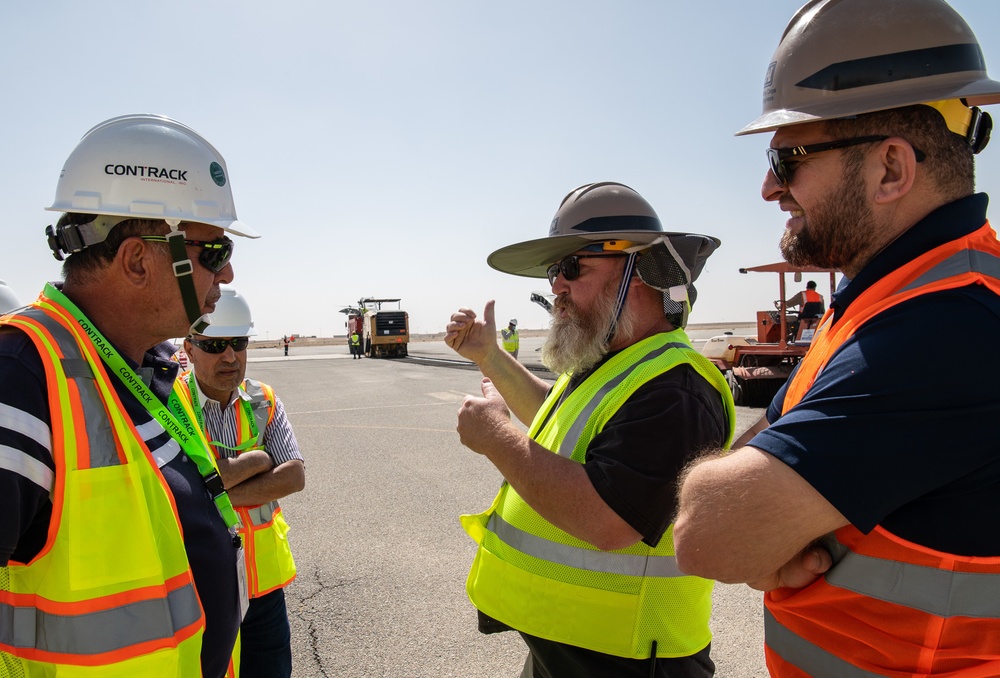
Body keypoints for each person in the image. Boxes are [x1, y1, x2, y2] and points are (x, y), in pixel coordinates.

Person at [673, 1, 1000, 676]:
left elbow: (706, 534)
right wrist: (752, 504)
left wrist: (755, 519)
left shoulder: (951, 328)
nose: (769, 187)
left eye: (788, 158)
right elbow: (749, 458)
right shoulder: (889, 300)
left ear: (890, 170)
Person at [0, 114, 259, 676]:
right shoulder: (21, 377)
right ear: (139, 260)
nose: (229, 272)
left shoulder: (153, 368)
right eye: (214, 252)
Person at [445, 182, 734, 678]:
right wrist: (490, 358)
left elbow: (609, 520)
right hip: (573, 650)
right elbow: (553, 420)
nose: (556, 285)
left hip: (630, 659)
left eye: (572, 268)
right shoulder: (616, 361)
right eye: (555, 271)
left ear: (640, 272)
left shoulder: (675, 389)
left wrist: (497, 440)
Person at [180, 285, 305, 678]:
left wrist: (216, 490)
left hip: (263, 586)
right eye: (215, 345)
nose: (230, 356)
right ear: (189, 348)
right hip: (199, 587)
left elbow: (294, 476)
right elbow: (177, 492)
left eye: (238, 342)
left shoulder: (262, 399)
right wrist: (259, 458)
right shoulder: (169, 404)